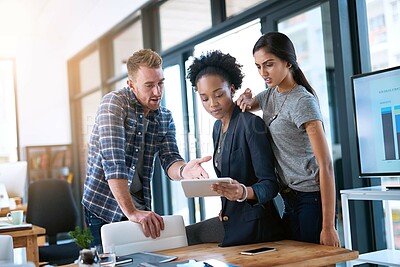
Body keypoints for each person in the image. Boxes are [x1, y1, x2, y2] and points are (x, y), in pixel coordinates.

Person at [82, 48, 211, 247]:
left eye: (160, 83)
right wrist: (131, 212)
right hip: (104, 207)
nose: (157, 92)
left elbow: (170, 160)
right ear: (131, 85)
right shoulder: (113, 104)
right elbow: (114, 164)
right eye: (149, 85)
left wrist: (185, 170)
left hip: (139, 207)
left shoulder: (164, 116)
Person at [236, 32, 340, 247]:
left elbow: (326, 165)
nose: (263, 72)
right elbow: (250, 103)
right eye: (258, 66)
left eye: (269, 64)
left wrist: (328, 226)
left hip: (310, 199)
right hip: (287, 199)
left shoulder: (303, 101)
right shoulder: (270, 94)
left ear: (289, 62)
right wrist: (245, 99)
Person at [185, 50, 284, 246]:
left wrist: (242, 192)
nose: (212, 104)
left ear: (231, 89)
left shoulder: (251, 124)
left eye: (219, 95)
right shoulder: (217, 127)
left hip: (257, 227)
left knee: (190, 239)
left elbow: (270, 185)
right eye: (205, 98)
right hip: (233, 220)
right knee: (187, 237)